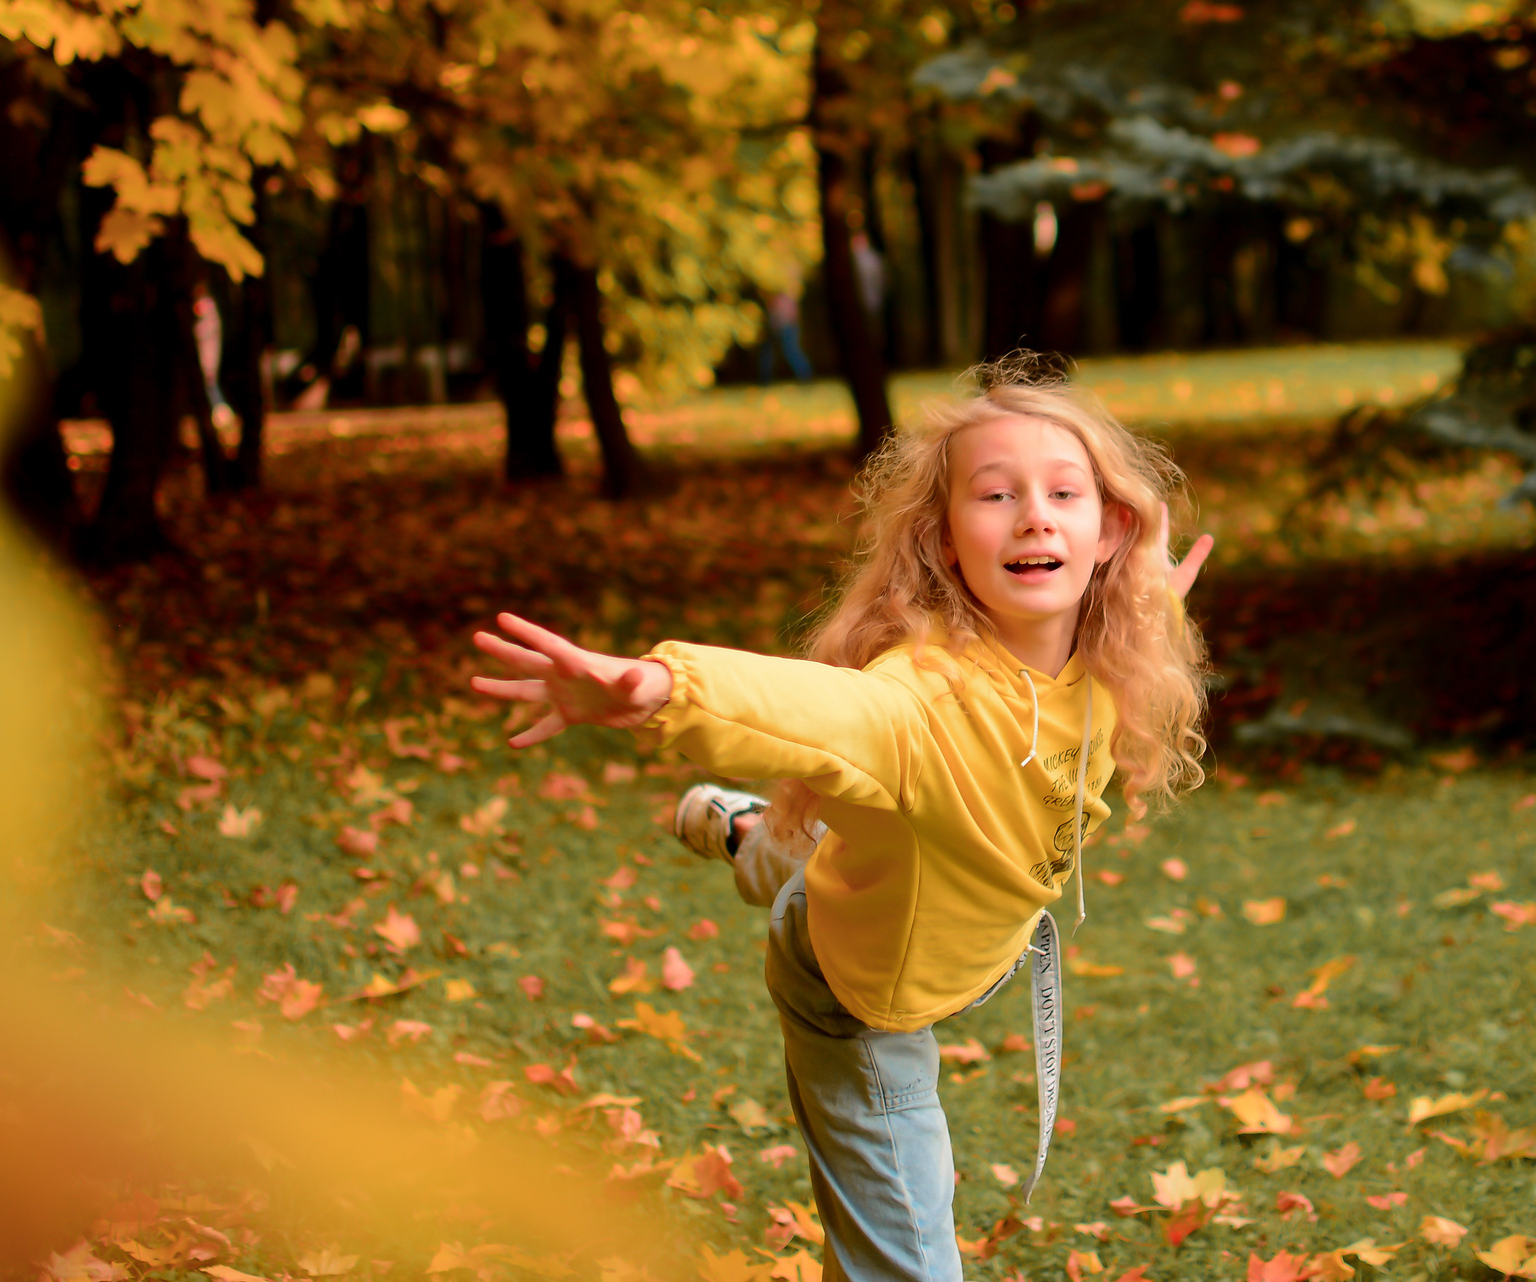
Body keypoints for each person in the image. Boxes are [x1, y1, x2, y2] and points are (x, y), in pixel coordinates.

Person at [469, 358, 1215, 1282]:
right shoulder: (912, 710)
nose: (1035, 514)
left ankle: (753, 833)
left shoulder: (1107, 658)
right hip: (859, 996)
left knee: (836, 846)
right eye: (995, 494)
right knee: (906, 1251)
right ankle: (772, 839)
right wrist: (659, 687)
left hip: (921, 892)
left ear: (1111, 532)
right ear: (944, 542)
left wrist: (1157, 590)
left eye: (1066, 492)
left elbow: (1125, 609)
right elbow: (801, 707)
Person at [761, 276, 815, 384]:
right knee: (768, 353)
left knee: (791, 351)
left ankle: (806, 376)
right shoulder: (779, 290)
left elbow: (787, 310)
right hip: (778, 324)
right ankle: (764, 379)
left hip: (786, 324)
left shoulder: (786, 290)